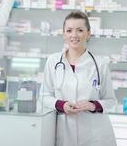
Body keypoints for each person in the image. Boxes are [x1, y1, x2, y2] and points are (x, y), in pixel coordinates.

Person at [42, 11, 117, 146]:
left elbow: (111, 100)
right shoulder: (53, 61)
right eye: (69, 30)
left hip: (94, 134)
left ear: (88, 33)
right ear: (64, 34)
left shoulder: (100, 64)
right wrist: (62, 105)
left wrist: (93, 105)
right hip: (64, 132)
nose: (74, 35)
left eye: (80, 30)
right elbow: (44, 96)